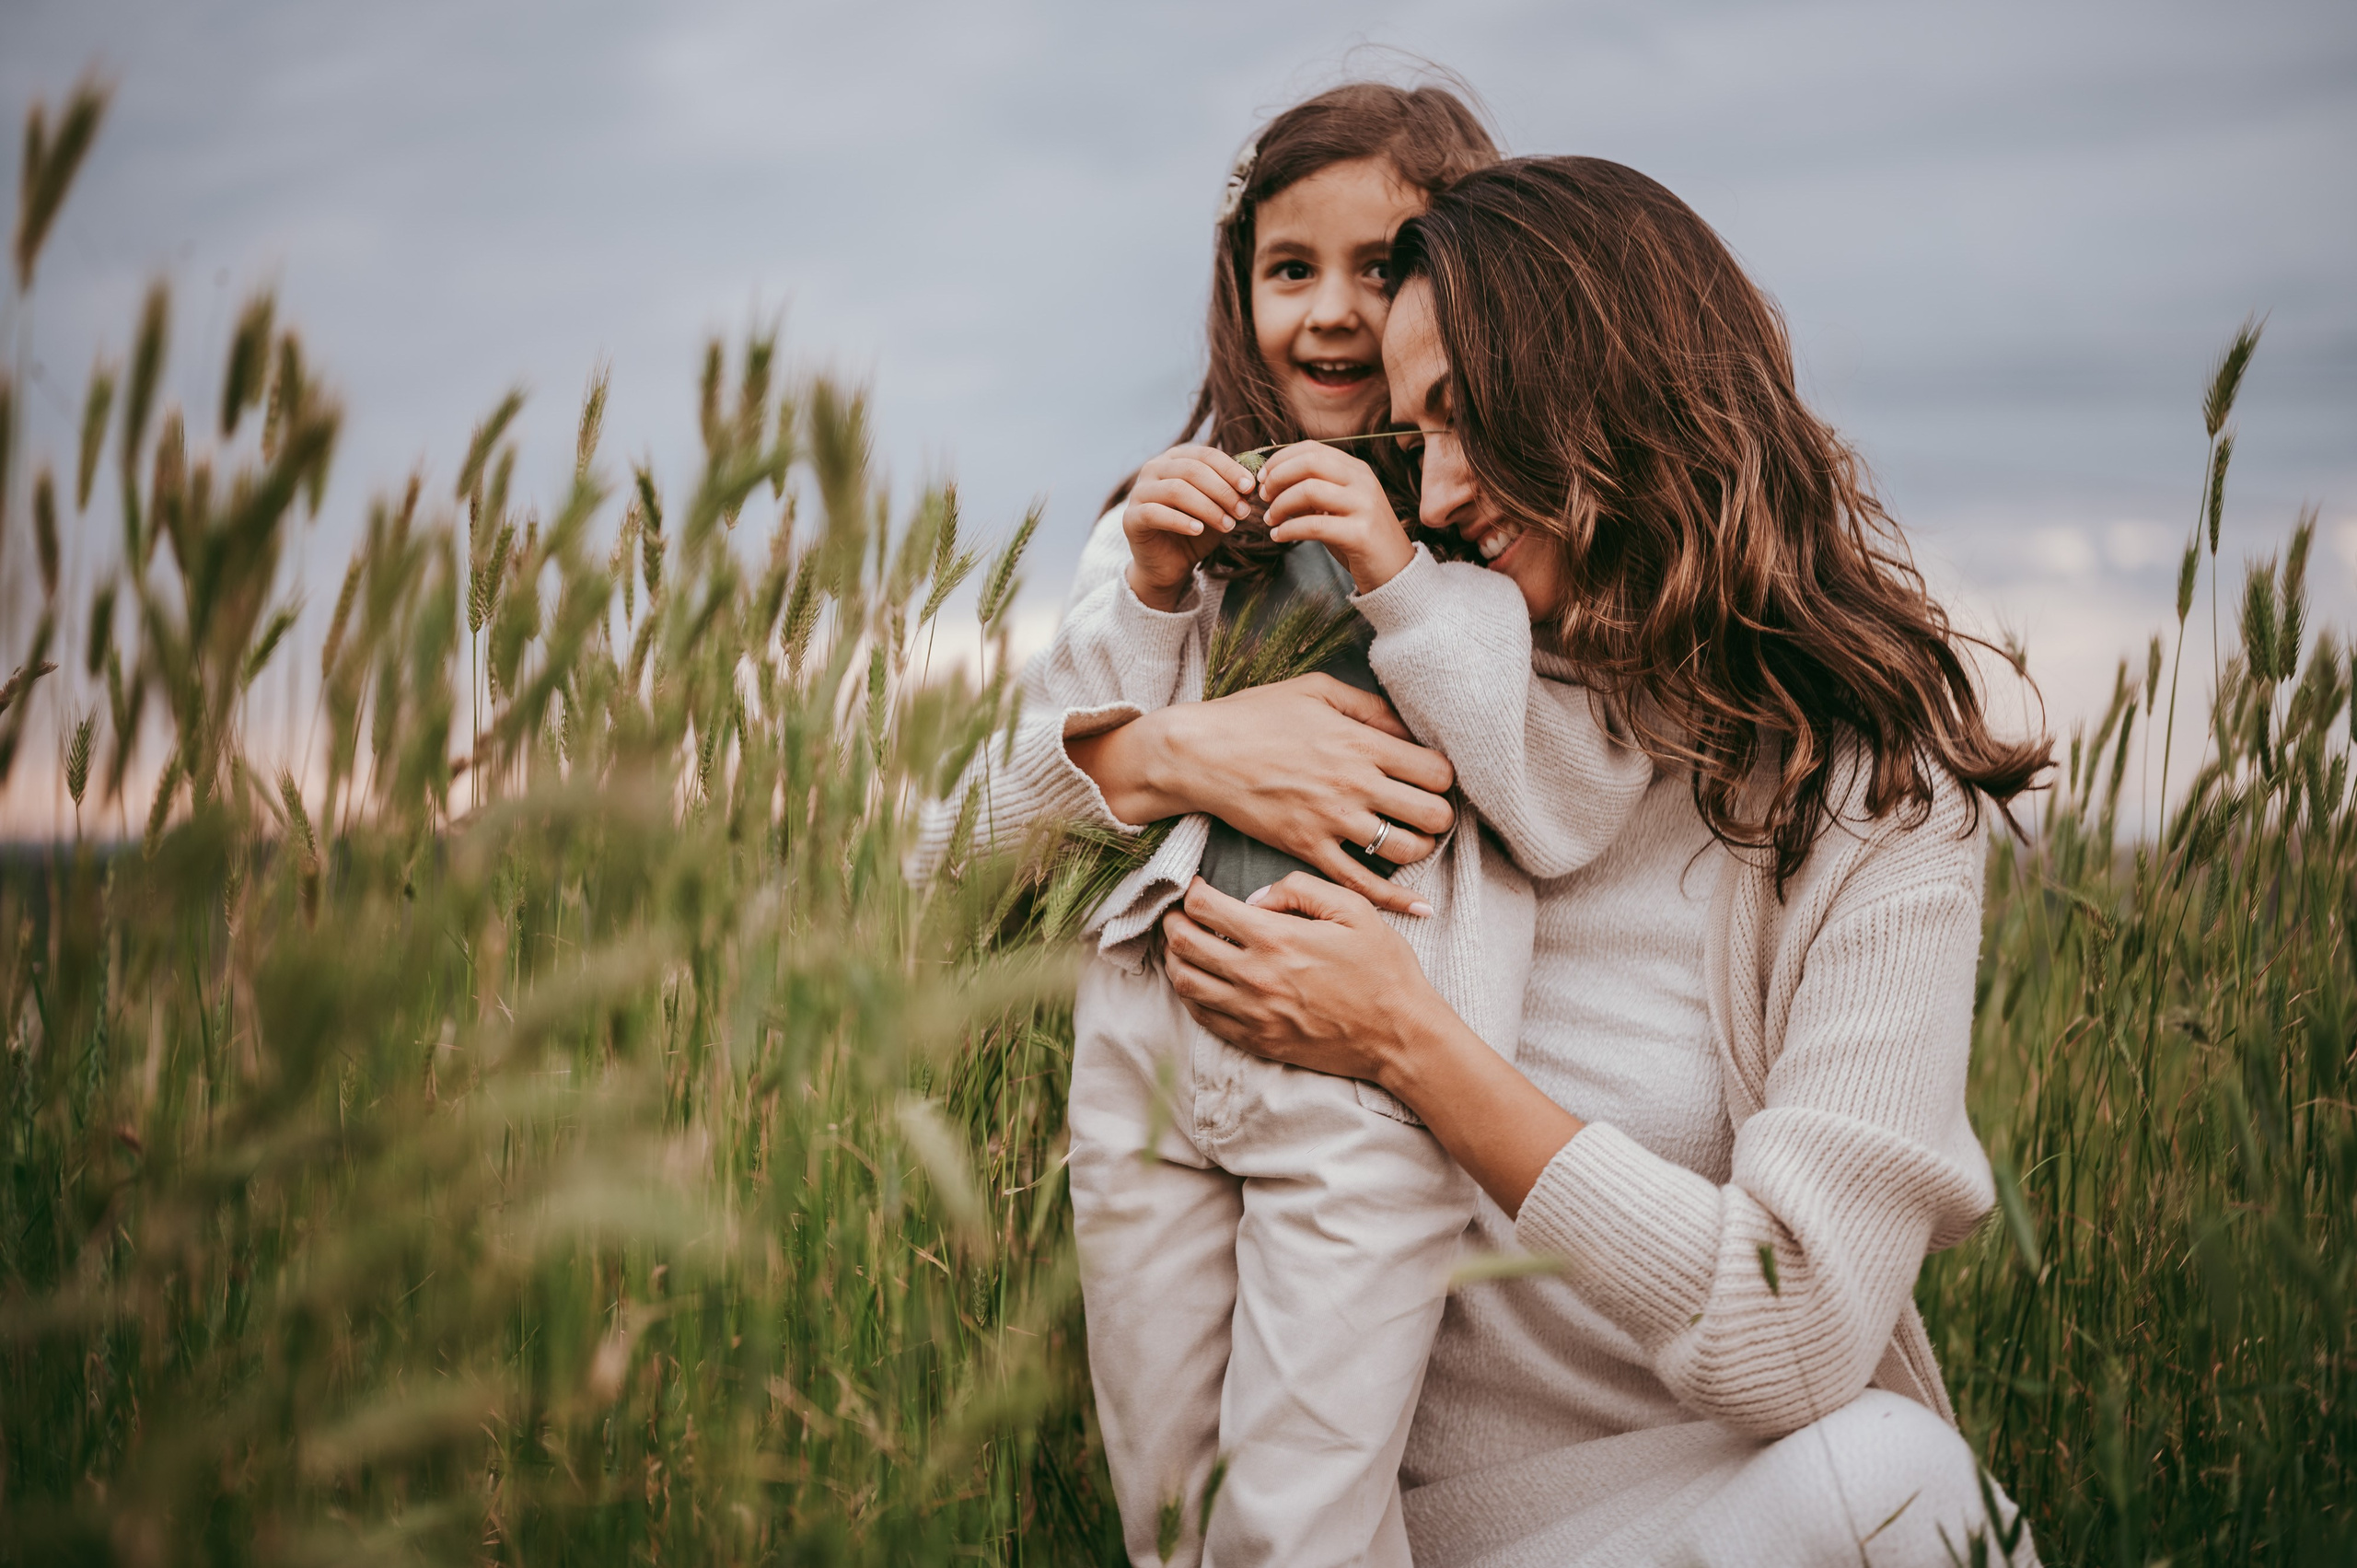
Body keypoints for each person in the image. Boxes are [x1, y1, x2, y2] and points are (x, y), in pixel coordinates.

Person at [1141, 157, 2049, 1565]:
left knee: (1899, 1489)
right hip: (1401, 1535)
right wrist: (1154, 758)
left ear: (1602, 396)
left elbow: (1800, 1334)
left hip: (1726, 1511)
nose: (1433, 492)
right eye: (1407, 432)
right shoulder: (1397, 668)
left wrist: (1410, 1047)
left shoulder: (1876, 800)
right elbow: (948, 851)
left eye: (1463, 421)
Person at [922, 84, 1650, 1568]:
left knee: (1294, 1526)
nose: (1331, 313)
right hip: (1144, 1053)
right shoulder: (1160, 518)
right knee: (1169, 1512)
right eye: (1288, 268)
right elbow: (971, 844)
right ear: (1236, 285)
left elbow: (1563, 796)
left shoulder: (1489, 533)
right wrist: (1151, 622)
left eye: (1381, 266)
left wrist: (1400, 573)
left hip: (1358, 1085)